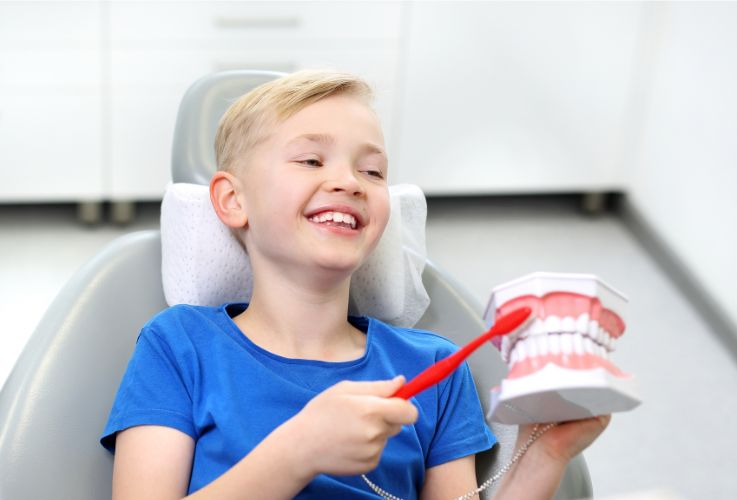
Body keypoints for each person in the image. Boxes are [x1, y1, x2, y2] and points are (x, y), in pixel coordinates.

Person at [101, 70, 610, 499]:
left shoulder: (434, 368)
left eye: (372, 170)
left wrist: (544, 457)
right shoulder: (178, 346)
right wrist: (298, 452)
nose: (349, 182)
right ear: (234, 200)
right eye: (311, 160)